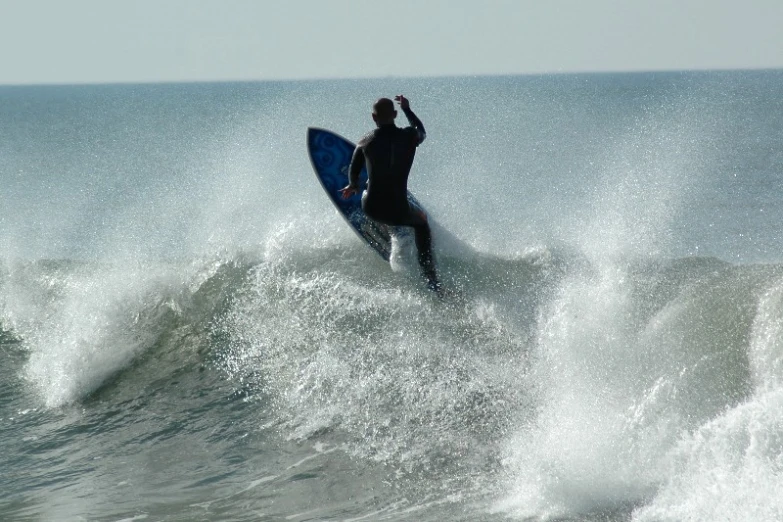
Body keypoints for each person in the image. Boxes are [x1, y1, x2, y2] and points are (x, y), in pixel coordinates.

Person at [340, 95, 441, 295]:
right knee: (421, 221)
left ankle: (383, 225)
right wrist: (407, 109)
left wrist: (352, 185)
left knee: (368, 185)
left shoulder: (365, 142)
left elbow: (354, 170)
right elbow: (422, 131)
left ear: (373, 117)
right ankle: (431, 278)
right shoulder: (410, 136)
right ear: (394, 114)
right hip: (399, 210)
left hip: (371, 208)